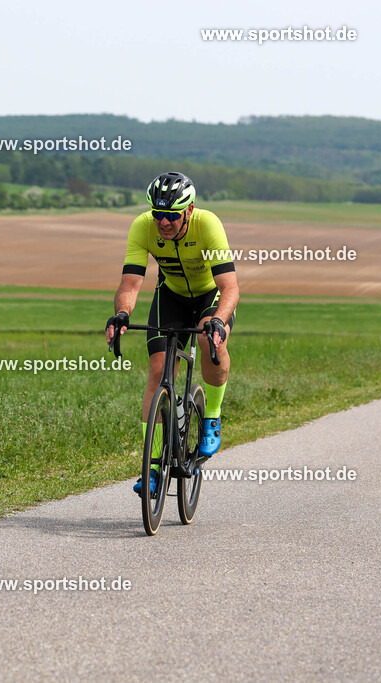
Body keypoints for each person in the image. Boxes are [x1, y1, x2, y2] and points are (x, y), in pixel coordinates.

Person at [104, 172, 239, 496]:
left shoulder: (208, 225)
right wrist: (122, 314)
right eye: (158, 214)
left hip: (210, 297)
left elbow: (230, 287)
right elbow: (131, 282)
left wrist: (219, 321)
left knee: (208, 342)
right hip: (172, 297)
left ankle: (212, 416)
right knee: (157, 369)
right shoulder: (142, 227)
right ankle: (151, 469)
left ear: (189, 211)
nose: (163, 222)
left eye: (171, 216)